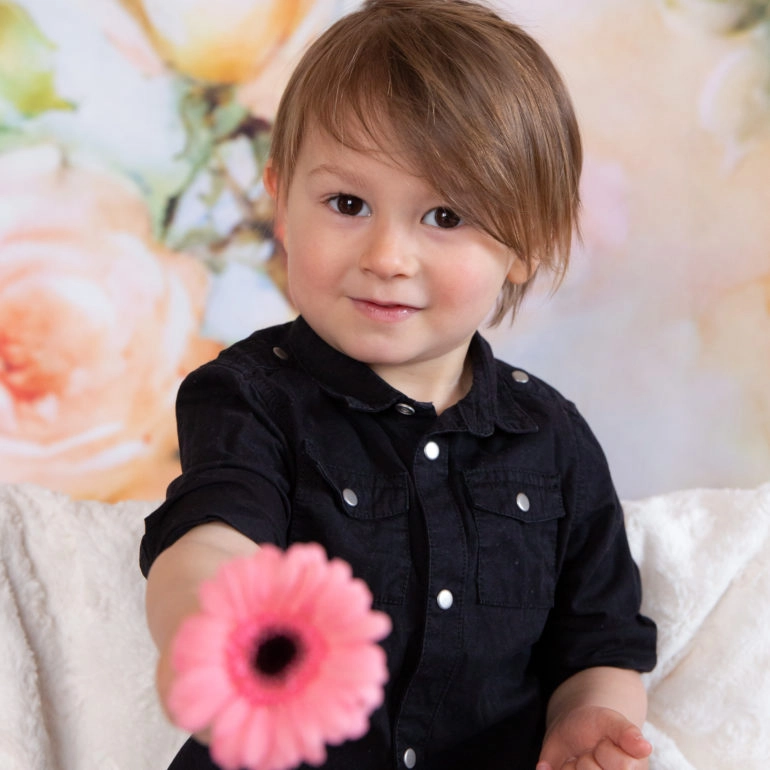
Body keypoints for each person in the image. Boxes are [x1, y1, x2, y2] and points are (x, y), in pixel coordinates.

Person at [140, 1, 658, 768]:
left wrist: (589, 716)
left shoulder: (552, 440)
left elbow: (600, 642)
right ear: (281, 201)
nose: (387, 256)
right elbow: (212, 538)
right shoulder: (250, 397)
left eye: (445, 216)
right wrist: (206, 639)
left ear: (527, 242)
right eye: (347, 204)